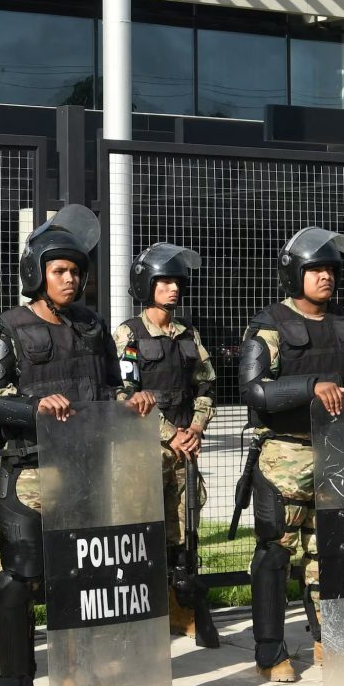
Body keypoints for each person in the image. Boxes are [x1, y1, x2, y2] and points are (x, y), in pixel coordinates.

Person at [0, 206, 148, 686]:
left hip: (86, 470)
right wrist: (35, 406)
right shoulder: (7, 327)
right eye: (60, 270)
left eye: (76, 271)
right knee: (20, 578)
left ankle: (86, 680)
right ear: (37, 273)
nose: (70, 279)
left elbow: (111, 387)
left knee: (85, 579)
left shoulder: (94, 327)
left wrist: (130, 402)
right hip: (28, 471)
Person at [236, 227, 344, 681]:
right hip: (285, 457)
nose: (325, 277)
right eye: (315, 269)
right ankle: (270, 651)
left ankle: (331, 640)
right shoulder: (269, 324)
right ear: (294, 274)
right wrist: (310, 387)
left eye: (330, 270)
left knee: (330, 553)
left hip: (339, 452)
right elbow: (253, 390)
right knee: (275, 553)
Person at [116, 242, 219, 644]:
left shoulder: (188, 334)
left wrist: (196, 427)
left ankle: (181, 608)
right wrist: (170, 433)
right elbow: (126, 392)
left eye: (176, 281)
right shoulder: (129, 332)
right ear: (146, 285)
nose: (173, 288)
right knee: (143, 528)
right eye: (164, 281)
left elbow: (206, 382)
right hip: (146, 450)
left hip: (184, 448)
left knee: (183, 531)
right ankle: (146, 610)